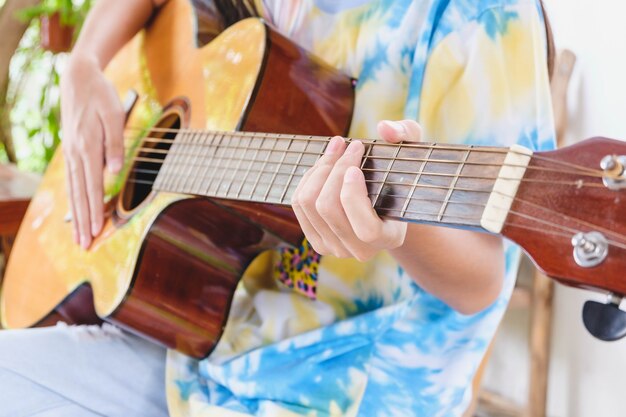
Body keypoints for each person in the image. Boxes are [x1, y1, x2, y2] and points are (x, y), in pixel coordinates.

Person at [0, 0, 556, 416]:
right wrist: (85, 62)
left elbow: (482, 279)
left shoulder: (482, 13)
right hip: (189, 341)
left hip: (340, 382)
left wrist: (398, 233)